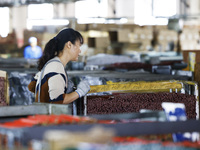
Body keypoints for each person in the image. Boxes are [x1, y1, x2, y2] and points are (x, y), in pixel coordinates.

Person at [28, 28, 90, 104]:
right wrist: (79, 92)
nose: (80, 50)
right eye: (79, 46)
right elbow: (57, 101)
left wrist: (59, 87)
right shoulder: (56, 66)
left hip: (43, 113)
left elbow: (31, 86)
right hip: (49, 115)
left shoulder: (52, 63)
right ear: (69, 45)